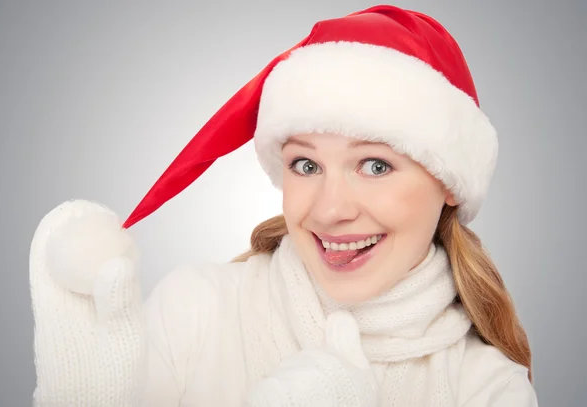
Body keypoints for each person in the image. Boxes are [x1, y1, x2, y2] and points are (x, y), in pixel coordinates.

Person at [29, 4, 539, 407]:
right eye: (306, 165)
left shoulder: (489, 388)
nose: (330, 210)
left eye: (375, 166)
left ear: (449, 181)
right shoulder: (196, 309)